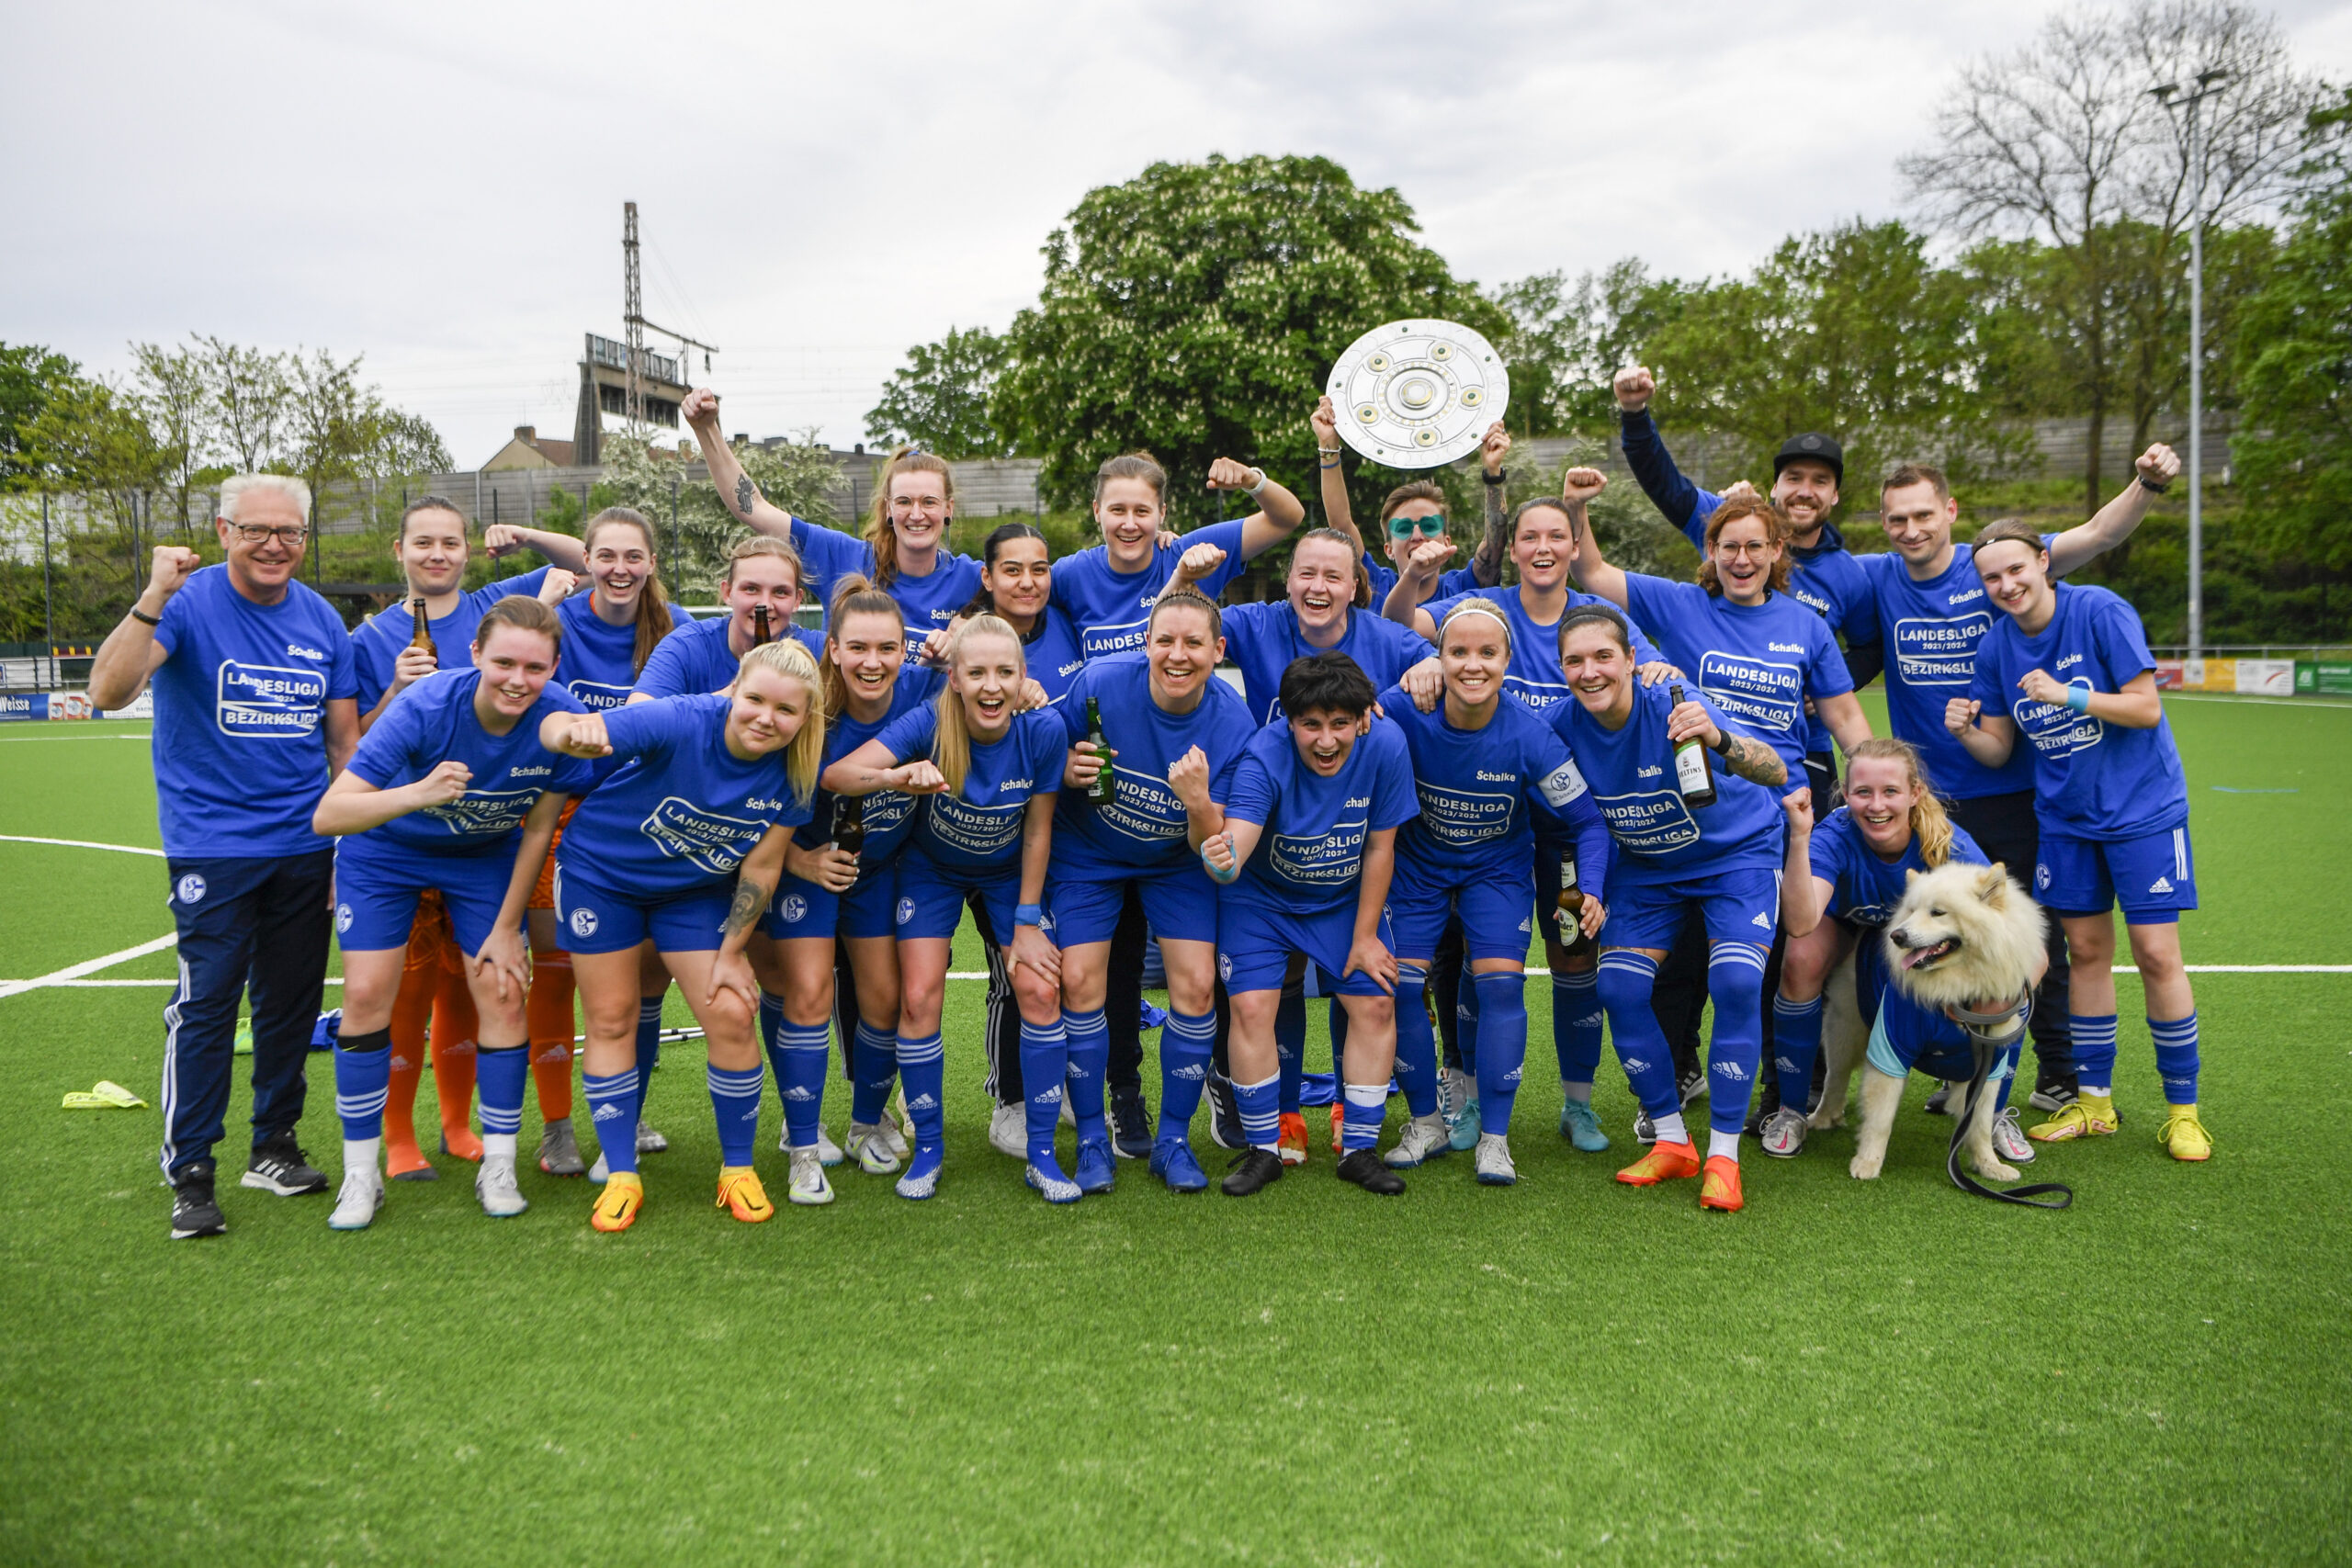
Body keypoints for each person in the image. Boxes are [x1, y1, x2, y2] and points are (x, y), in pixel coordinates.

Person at [1863, 446, 2180, 1114]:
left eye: (1924, 513)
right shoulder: (1884, 577)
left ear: (1949, 510)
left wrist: (2148, 483)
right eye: (1897, 518)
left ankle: (2061, 1073)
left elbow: (2100, 532)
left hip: (2016, 796)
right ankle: (1962, 1073)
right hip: (1931, 797)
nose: (1912, 528)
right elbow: (1799, 558)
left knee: (2042, 940)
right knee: (1941, 939)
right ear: (1884, 524)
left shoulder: (2003, 562)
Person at [85, 475, 358, 1240]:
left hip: (304, 845)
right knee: (207, 1006)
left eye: (291, 533)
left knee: (291, 1002)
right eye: (257, 530)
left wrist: (352, 842)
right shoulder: (188, 601)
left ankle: (271, 1144)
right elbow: (107, 690)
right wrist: (152, 594)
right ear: (224, 528)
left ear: (306, 540)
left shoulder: (323, 620)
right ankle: (192, 1168)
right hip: (213, 846)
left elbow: (343, 745)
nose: (275, 545)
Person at [1562, 468, 1872, 1134]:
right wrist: (1577, 507)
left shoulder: (1805, 624)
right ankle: (1675, 1078)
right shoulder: (1680, 604)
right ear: (1710, 551)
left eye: (1755, 546)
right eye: (1728, 545)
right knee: (1677, 962)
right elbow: (1592, 571)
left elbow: (1845, 714)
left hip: (1780, 800)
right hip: (1684, 801)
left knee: (1766, 966)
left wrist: (1869, 779)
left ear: (1777, 553)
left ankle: (1777, 1097)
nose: (1741, 558)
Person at [1388, 496, 1671, 1151]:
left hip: (1570, 835)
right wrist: (1427, 658)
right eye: (1528, 536)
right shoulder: (1484, 615)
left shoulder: (1597, 620)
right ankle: (1457, 1100)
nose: (1542, 546)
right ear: (1509, 548)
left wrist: (1661, 669)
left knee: (1575, 962)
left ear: (1576, 545)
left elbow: (1648, 666)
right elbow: (1402, 623)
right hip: (1490, 837)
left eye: (1557, 534)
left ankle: (1577, 1106)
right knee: (1463, 963)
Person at [311, 598, 597, 1227]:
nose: (517, 679)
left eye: (534, 666)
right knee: (364, 996)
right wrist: (419, 792)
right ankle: (362, 1174)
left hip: (482, 857)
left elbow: (537, 831)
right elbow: (330, 813)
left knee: (502, 990)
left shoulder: (559, 720)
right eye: (503, 662)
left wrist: (504, 928)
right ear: (475, 654)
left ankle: (499, 1164)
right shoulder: (425, 706)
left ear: (554, 667)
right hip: (387, 853)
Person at [1166, 524, 1440, 1157]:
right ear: (1287, 581)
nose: (1318, 586)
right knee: (1260, 997)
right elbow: (1181, 632)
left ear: (1355, 587)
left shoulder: (1383, 731)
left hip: (1341, 885)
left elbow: (1380, 845)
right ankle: (1270, 1135)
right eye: (1306, 574)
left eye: (1332, 576)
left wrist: (1428, 668)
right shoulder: (1263, 742)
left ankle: (1358, 1138)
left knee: (1373, 991)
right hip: (1267, 878)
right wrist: (1205, 814)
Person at [537, 640, 826, 1233]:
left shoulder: (799, 771)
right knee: (612, 1018)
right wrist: (571, 734)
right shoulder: (679, 718)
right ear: (733, 691)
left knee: (730, 1012)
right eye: (754, 700)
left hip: (692, 892)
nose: (765, 719)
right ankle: (621, 1173)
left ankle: (737, 1170)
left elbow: (764, 866)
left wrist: (730, 954)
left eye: (786, 711)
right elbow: (560, 728)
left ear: (805, 719)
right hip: (601, 879)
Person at [1945, 518, 2210, 1160]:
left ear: (2043, 561)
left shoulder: (2099, 610)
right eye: (1992, 577)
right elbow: (2000, 745)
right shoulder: (1997, 648)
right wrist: (1963, 731)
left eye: (2016, 569)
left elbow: (2146, 706)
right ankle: (2093, 1101)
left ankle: (2184, 1111)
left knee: (2154, 954)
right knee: (2085, 952)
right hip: (2063, 819)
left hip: (2142, 810)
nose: (2007, 584)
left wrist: (2068, 695)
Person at [351, 498, 568, 1181]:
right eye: (423, 542)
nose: (437, 553)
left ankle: (455, 1124)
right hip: (401, 835)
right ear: (400, 550)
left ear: (469, 552)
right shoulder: (371, 636)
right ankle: (395, 1141)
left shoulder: (495, 602)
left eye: (450, 542)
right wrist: (394, 689)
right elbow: (357, 741)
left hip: (480, 841)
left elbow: (583, 563)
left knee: (471, 989)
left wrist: (527, 535)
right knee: (401, 987)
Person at [1552, 604, 1790, 1214]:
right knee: (1620, 989)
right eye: (1575, 660)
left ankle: (1725, 1156)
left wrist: (1719, 736)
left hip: (1735, 854)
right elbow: (1581, 820)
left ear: (1632, 659)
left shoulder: (1676, 701)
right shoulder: (1562, 725)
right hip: (1649, 867)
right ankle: (1674, 1139)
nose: (1590, 671)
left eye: (1603, 656)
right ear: (1562, 669)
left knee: (1736, 979)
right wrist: (1591, 888)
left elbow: (1775, 767)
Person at [826, 616, 1072, 1200]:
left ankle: (1041, 1152)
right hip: (930, 871)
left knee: (1039, 988)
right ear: (955, 679)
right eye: (977, 672)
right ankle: (929, 1147)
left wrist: (1029, 920)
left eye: (1005, 672)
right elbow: (837, 774)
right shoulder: (929, 721)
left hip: (1008, 873)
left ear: (1022, 678)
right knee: (916, 997)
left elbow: (1038, 832)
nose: (992, 686)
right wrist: (897, 774)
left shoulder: (1043, 730)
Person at [1377, 603, 1614, 1180]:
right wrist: (1403, 679)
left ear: (1509, 661)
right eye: (1458, 652)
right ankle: (1427, 1123)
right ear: (1439, 658)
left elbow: (1588, 823)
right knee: (1402, 988)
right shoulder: (1407, 709)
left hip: (1497, 873)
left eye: (1488, 653)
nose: (1473, 665)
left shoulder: (1531, 735)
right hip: (1419, 869)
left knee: (1501, 985)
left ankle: (1495, 1139)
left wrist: (1594, 892)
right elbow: (1347, 718)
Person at [486, 507, 688, 1178]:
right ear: (585, 562)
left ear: (652, 563)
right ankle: (556, 1127)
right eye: (605, 556)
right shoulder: (560, 621)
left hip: (640, 819)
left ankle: (622, 1113)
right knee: (555, 969)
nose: (620, 569)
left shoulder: (676, 629)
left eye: (634, 556)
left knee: (635, 982)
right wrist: (526, 538)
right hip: (559, 810)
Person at [1051, 592, 1257, 1192]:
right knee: (1082, 979)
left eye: (1194, 642)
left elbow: (1212, 846)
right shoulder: (1099, 685)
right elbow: (1044, 753)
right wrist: (1067, 766)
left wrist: (1197, 800)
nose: (1177, 654)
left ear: (1218, 651)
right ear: (1146, 642)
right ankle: (1093, 1138)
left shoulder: (1232, 720)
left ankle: (1172, 1140)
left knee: (1195, 983)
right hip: (1088, 852)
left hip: (1175, 860)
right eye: (1165, 639)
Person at [1610, 366, 1881, 809]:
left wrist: (1823, 689)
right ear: (1775, 486)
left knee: (1805, 863)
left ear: (1836, 495)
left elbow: (1869, 648)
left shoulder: (1848, 574)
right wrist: (1635, 413)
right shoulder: (1729, 520)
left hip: (1800, 750)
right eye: (1794, 478)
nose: (1804, 492)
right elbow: (1664, 484)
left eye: (1820, 482)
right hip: (1709, 742)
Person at [1200, 652, 1416, 1198]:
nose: (1326, 741)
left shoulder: (1387, 744)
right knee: (1251, 1007)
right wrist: (1211, 830)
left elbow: (1380, 847)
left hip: (1343, 900)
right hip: (1263, 900)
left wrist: (1365, 938)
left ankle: (1360, 1150)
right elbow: (1234, 856)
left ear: (1363, 717)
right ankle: (1263, 1150)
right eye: (1311, 725)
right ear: (1289, 721)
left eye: (1340, 724)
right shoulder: (1262, 756)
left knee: (1376, 999)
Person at [1766, 738, 2036, 1167]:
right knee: (1799, 961)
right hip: (1851, 925)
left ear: (1915, 793)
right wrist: (1800, 838)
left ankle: (1993, 1114)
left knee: (2006, 995)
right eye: (1863, 792)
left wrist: (1989, 999)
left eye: (1891, 792)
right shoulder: (1834, 835)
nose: (1877, 805)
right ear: (1846, 795)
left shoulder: (1951, 844)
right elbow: (1800, 922)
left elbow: (2017, 944)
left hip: (1918, 939)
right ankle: (1793, 1110)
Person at [758, 578, 941, 1190]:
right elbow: (754, 799)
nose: (873, 662)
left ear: (906, 649)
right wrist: (801, 862)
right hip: (806, 865)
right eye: (858, 648)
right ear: (831, 649)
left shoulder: (925, 687)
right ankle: (803, 1145)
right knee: (807, 992)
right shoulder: (806, 706)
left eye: (888, 648)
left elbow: (987, 671)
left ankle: (867, 1123)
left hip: (876, 870)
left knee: (884, 998)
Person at [922, 523, 1088, 1163]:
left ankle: (1047, 1086)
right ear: (986, 579)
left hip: (1022, 839)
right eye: (1010, 570)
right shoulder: (951, 647)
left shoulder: (1066, 618)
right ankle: (1008, 1099)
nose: (1028, 581)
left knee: (1031, 968)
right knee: (926, 984)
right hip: (937, 846)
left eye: (1039, 569)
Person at [683, 387, 980, 653]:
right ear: (888, 508)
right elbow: (753, 508)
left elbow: (1024, 597)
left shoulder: (973, 578)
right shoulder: (843, 558)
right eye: (904, 502)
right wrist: (706, 429)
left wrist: (970, 623)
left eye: (929, 502)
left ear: (948, 508)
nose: (916, 514)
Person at [1049, 450, 1306, 660]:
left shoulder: (1189, 555)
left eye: (1142, 512)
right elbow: (1015, 600)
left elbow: (1287, 518)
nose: (1129, 524)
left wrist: (1253, 481)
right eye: (1117, 510)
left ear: (1161, 513)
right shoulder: (1072, 574)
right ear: (1097, 511)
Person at [1314, 395, 1509, 611]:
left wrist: (1493, 473)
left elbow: (1495, 544)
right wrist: (1328, 446)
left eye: (1429, 525)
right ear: (1388, 549)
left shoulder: (1463, 589)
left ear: (1446, 542)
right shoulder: (1376, 587)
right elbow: (1341, 524)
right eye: (1404, 528)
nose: (1417, 536)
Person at [632, 536, 824, 700]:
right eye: (751, 589)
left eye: (780, 592)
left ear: (797, 599)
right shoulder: (688, 646)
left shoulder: (817, 650)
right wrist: (735, 693)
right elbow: (638, 715)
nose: (764, 604)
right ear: (728, 592)